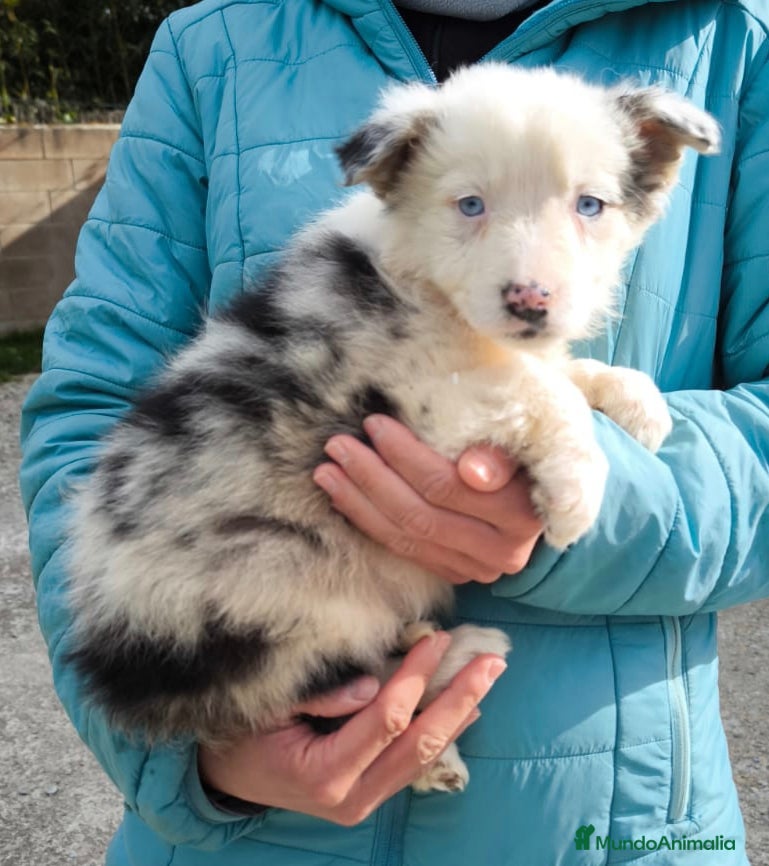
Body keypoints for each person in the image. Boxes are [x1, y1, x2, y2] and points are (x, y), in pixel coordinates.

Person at [18, 0, 769, 864]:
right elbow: (89, 408)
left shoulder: (732, 39)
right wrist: (202, 763)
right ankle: (333, 674)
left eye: (589, 203)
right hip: (246, 784)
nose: (529, 278)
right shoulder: (212, 44)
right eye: (472, 205)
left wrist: (611, 486)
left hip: (611, 830)